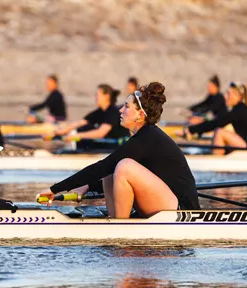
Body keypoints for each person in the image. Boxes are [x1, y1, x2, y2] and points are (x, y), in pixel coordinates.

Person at [37, 82, 200, 218]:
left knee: (124, 167)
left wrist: (54, 189)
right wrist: (88, 186)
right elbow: (106, 168)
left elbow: (101, 166)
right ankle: (116, 221)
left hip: (183, 211)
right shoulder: (144, 137)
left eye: (126, 106)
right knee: (113, 170)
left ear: (140, 115)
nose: (120, 111)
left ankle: (120, 229)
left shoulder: (148, 137)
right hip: (166, 202)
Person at [183, 81, 247, 155]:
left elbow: (216, 123)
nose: (225, 96)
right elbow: (216, 121)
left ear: (238, 97)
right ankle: (216, 155)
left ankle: (215, 161)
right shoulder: (241, 109)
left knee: (220, 132)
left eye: (229, 94)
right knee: (222, 132)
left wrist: (191, 130)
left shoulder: (239, 111)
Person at [50, 84, 129, 144]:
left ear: (107, 96)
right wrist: (60, 131)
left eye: (97, 95)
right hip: (104, 145)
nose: (96, 98)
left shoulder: (113, 111)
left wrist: (77, 136)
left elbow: (100, 133)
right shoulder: (98, 112)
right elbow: (79, 123)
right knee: (85, 128)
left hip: (115, 146)